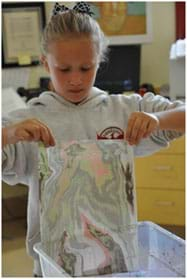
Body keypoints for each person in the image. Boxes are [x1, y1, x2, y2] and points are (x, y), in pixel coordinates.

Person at [2, 2, 185, 276]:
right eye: (64, 69)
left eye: (86, 68)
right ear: (45, 63)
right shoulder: (26, 123)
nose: (75, 79)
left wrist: (158, 120)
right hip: (52, 266)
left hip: (116, 263)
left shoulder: (122, 110)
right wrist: (8, 134)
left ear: (99, 61)